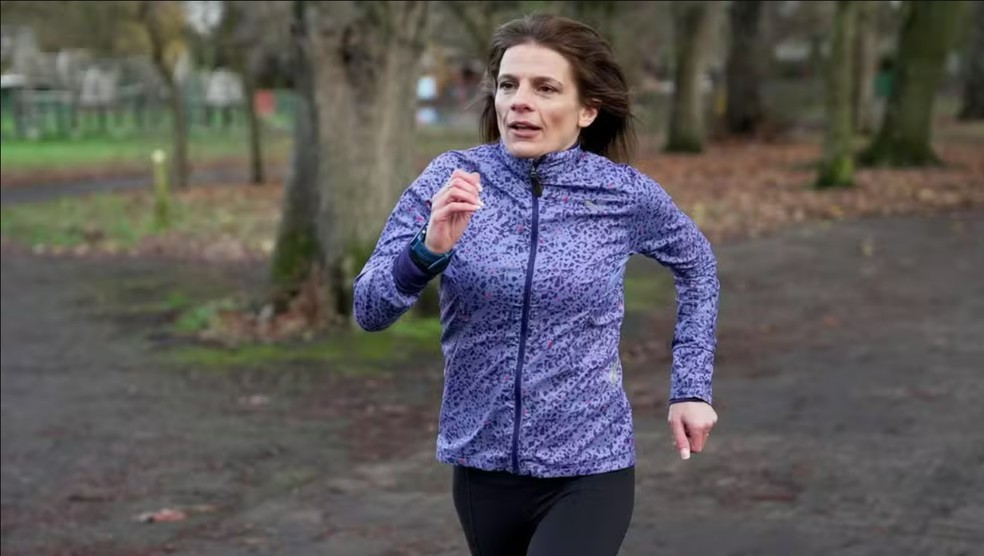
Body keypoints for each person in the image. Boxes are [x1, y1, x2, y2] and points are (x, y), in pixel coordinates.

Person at [353, 13, 720, 556]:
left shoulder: (622, 195)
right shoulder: (451, 181)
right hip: (482, 467)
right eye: (508, 84)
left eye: (545, 88)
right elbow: (369, 309)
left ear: (587, 110)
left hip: (591, 465)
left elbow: (699, 266)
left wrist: (691, 386)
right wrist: (427, 251)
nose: (519, 101)